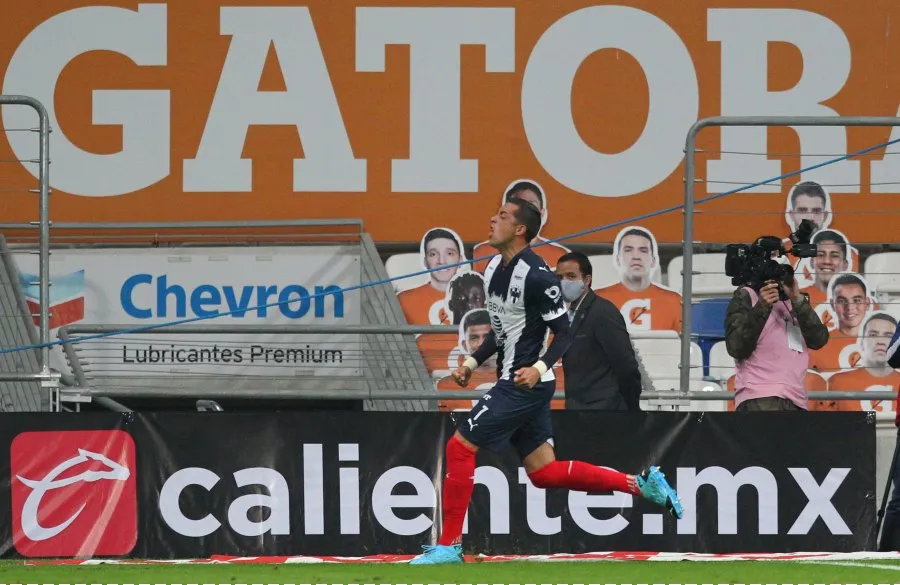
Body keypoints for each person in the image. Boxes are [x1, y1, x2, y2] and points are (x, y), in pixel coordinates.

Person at [409, 196, 682, 565]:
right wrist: (472, 361)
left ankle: (448, 546)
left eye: (502, 215)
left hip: (525, 384)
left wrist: (538, 367)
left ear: (519, 230)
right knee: (544, 472)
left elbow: (565, 332)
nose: (493, 219)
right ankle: (641, 484)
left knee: (459, 448)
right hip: (517, 379)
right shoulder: (491, 268)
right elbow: (502, 330)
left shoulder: (537, 275)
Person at [724, 272, 829, 411]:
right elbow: (735, 347)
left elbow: (819, 340)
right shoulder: (747, 294)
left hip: (797, 399)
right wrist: (762, 306)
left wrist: (797, 298)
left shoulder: (793, 301)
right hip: (759, 396)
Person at [555, 251, 642, 410]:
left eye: (571, 276)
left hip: (605, 412)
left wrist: (631, 407)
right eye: (559, 277)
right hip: (578, 410)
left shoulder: (603, 312)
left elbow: (626, 365)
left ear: (587, 280)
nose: (564, 282)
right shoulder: (570, 314)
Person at [594, 226, 682, 333]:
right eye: (628, 250)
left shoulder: (675, 301)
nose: (636, 256)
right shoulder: (596, 300)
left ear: (654, 261)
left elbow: (686, 346)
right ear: (617, 259)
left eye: (643, 251)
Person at [471, 179, 570, 273]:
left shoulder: (559, 255)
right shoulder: (482, 253)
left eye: (530, 205)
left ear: (542, 213)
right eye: (518, 203)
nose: (524, 211)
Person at [825, 313, 900, 413]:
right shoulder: (837, 382)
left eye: (889, 336)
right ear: (861, 343)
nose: (881, 341)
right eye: (873, 335)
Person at [397, 227, 466, 326]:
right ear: (425, 262)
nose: (441, 261)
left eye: (450, 253)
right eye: (433, 254)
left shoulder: (478, 298)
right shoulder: (403, 300)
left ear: (461, 260)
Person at [810, 273, 875, 375]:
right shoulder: (817, 345)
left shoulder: (883, 342)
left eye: (857, 300)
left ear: (867, 303)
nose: (850, 307)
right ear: (832, 305)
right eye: (841, 301)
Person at [798, 229, 852, 325]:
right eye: (820, 255)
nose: (827, 261)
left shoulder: (857, 304)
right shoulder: (796, 298)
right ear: (811, 261)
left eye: (834, 255)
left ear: (845, 265)